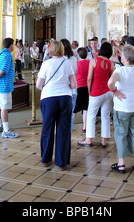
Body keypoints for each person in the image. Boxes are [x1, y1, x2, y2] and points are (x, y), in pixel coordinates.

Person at [36, 40, 76, 170]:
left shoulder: (46, 64)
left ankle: (45, 159)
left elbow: (38, 85)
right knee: (63, 130)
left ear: (51, 50)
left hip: (49, 98)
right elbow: (73, 84)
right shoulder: (67, 63)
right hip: (65, 97)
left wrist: (49, 89)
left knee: (47, 128)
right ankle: (62, 161)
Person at [108, 44, 134, 174]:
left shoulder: (120, 70)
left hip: (123, 106)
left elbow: (110, 83)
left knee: (121, 134)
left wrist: (116, 92)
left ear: (125, 58)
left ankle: (121, 163)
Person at [78, 41, 115, 148]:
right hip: (107, 92)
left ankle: (88, 139)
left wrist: (89, 91)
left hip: (96, 91)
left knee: (91, 115)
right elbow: (112, 79)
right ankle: (104, 140)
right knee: (105, 116)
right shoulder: (110, 63)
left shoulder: (93, 61)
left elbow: (89, 79)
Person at [0, 37, 19, 138]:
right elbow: (4, 70)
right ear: (11, 46)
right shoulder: (7, 55)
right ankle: (6, 130)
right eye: (13, 45)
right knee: (4, 108)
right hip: (4, 86)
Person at [61, 38, 78, 130]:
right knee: (70, 114)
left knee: (60, 113)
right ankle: (68, 134)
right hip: (73, 90)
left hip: (62, 90)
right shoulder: (74, 59)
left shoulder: (59, 60)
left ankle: (60, 133)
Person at [73, 47, 90, 134]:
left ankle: (69, 125)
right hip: (87, 87)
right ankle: (84, 127)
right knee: (85, 108)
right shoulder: (90, 63)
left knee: (74, 108)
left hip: (79, 87)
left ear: (78, 55)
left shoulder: (77, 64)